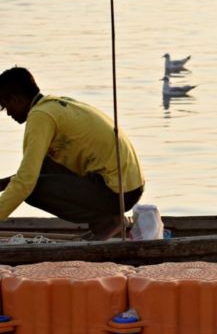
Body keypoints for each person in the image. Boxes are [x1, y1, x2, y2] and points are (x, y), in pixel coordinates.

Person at [0, 66, 144, 239]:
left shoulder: (40, 116)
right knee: (42, 165)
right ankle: (106, 221)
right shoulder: (52, 105)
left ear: (16, 99)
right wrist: (2, 184)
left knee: (31, 190)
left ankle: (109, 222)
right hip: (129, 184)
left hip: (118, 192)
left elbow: (26, 183)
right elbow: (30, 172)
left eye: (5, 106)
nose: (7, 113)